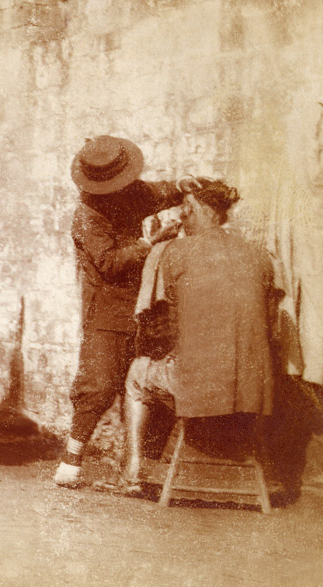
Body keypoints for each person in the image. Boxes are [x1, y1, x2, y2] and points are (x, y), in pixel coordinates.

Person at [123, 178, 281, 486]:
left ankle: (132, 470)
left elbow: (169, 325)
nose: (182, 216)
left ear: (204, 210)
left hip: (199, 387)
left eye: (187, 208)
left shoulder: (176, 252)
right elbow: (271, 328)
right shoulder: (261, 256)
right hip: (255, 391)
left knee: (136, 375)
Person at [54, 136, 186, 489]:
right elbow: (110, 263)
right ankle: (72, 459)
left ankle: (136, 468)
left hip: (142, 306)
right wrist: (149, 244)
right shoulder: (87, 216)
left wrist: (183, 186)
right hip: (106, 311)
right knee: (98, 386)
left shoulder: (130, 193)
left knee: (147, 387)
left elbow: (158, 193)